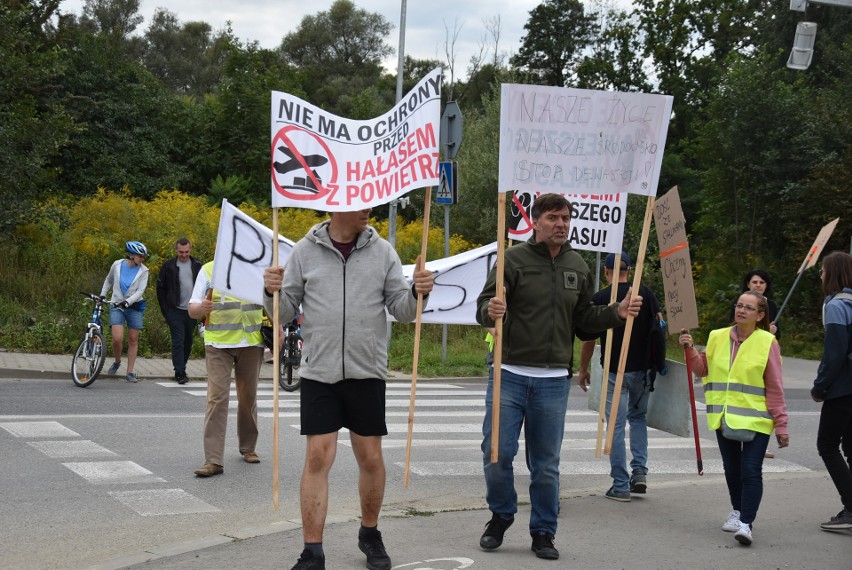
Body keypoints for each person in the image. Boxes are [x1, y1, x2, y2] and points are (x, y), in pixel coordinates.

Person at [263, 208, 434, 570]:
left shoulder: (383, 251)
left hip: (366, 371)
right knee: (317, 457)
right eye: (362, 203)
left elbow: (402, 312)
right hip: (319, 372)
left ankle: (369, 533)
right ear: (338, 206)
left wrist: (419, 293)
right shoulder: (303, 252)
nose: (369, 210)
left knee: (370, 457)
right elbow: (283, 312)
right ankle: (312, 551)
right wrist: (270, 291)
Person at [475, 193, 642, 561]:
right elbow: (482, 310)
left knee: (546, 464)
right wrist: (491, 308)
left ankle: (543, 531)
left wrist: (617, 312)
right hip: (509, 374)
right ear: (536, 221)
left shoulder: (577, 265)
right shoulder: (512, 260)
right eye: (553, 217)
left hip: (553, 380)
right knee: (496, 453)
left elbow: (583, 323)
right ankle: (501, 514)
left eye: (565, 218)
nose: (561, 224)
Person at [680, 290, 789, 546]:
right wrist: (690, 348)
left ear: (760, 315)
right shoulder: (717, 337)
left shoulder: (767, 342)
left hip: (757, 419)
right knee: (732, 469)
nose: (741, 310)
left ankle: (746, 523)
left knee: (751, 469)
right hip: (724, 417)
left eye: (749, 308)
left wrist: (781, 425)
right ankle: (738, 510)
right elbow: (701, 369)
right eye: (739, 305)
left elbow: (775, 386)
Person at [577, 250, 662, 502]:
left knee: (614, 425)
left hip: (615, 371)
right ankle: (640, 472)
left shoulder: (602, 297)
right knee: (638, 419)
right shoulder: (645, 294)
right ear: (628, 271)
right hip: (644, 371)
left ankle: (620, 484)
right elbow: (659, 327)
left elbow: (589, 338)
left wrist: (583, 369)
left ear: (606, 271)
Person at [189, 261, 264, 478]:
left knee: (248, 397)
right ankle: (213, 460)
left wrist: (277, 328)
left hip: (250, 342)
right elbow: (192, 310)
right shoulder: (210, 269)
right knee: (217, 398)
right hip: (218, 344)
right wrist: (201, 308)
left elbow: (272, 303)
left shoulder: (256, 270)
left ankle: (248, 447)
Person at [811, 251, 852, 531]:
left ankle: (850, 508)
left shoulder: (836, 305)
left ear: (833, 273)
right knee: (850, 448)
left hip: (842, 389)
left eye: (823, 270)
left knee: (827, 445)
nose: (821, 275)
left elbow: (834, 353)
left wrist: (820, 386)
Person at [101, 241, 150, 383]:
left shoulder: (144, 271)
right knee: (117, 338)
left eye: (143, 257)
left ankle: (130, 372)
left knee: (133, 339)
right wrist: (103, 295)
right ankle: (117, 361)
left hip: (134, 306)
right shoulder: (117, 265)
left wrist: (128, 302)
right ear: (130, 255)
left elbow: (141, 290)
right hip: (117, 304)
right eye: (140, 256)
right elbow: (108, 280)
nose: (142, 259)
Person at [156, 237, 203, 384]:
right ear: (176, 251)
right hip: (174, 309)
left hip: (192, 310)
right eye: (181, 252)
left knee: (188, 341)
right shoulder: (168, 266)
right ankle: (180, 371)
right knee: (178, 340)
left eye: (186, 252)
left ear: (190, 250)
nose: (184, 255)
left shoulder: (197, 265)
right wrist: (166, 311)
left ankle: (182, 366)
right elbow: (160, 288)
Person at [729, 269, 779, 337]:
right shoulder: (739, 302)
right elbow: (732, 327)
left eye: (762, 282)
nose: (758, 285)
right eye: (755, 282)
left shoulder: (772, 306)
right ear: (748, 284)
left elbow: (778, 334)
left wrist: (773, 332)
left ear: (766, 285)